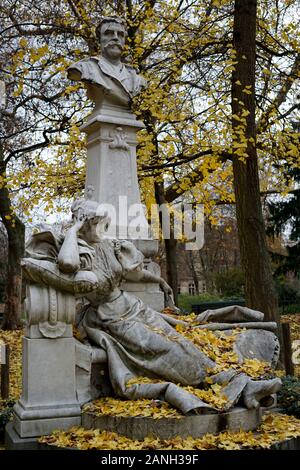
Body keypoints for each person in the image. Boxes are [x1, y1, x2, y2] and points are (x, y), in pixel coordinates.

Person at [23, 199, 281, 414]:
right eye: (100, 223)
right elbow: (67, 266)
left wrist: (159, 280)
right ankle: (238, 387)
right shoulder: (77, 249)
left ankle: (240, 383)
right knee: (165, 348)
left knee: (182, 340)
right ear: (86, 223)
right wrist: (73, 230)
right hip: (108, 319)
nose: (106, 227)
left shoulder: (107, 244)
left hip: (131, 306)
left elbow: (132, 275)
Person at [67, 16, 147, 107]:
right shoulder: (84, 68)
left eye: (120, 34)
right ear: (99, 40)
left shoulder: (137, 80)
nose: (116, 38)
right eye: (109, 33)